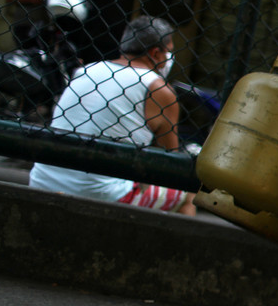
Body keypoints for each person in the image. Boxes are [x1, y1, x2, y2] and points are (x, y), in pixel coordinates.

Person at [29, 16, 195, 215]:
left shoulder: (87, 70)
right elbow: (170, 163)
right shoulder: (158, 88)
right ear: (156, 53)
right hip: (102, 194)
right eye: (169, 51)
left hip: (42, 180)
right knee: (187, 196)